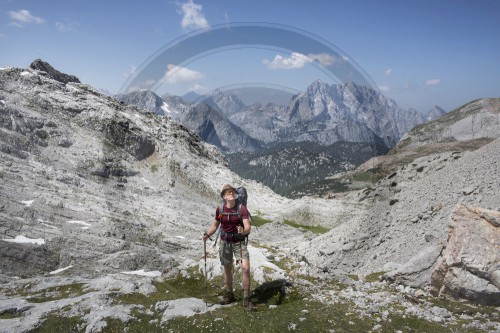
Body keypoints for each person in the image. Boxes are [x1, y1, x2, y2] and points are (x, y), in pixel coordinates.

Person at [202, 184, 256, 311]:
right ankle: (229, 294)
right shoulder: (220, 209)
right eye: (228, 192)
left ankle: (246, 298)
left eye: (232, 192)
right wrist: (207, 235)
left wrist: (243, 231)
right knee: (227, 268)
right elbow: (215, 225)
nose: (230, 194)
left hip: (239, 242)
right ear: (223, 196)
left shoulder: (241, 208)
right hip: (225, 242)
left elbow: (248, 226)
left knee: (245, 267)